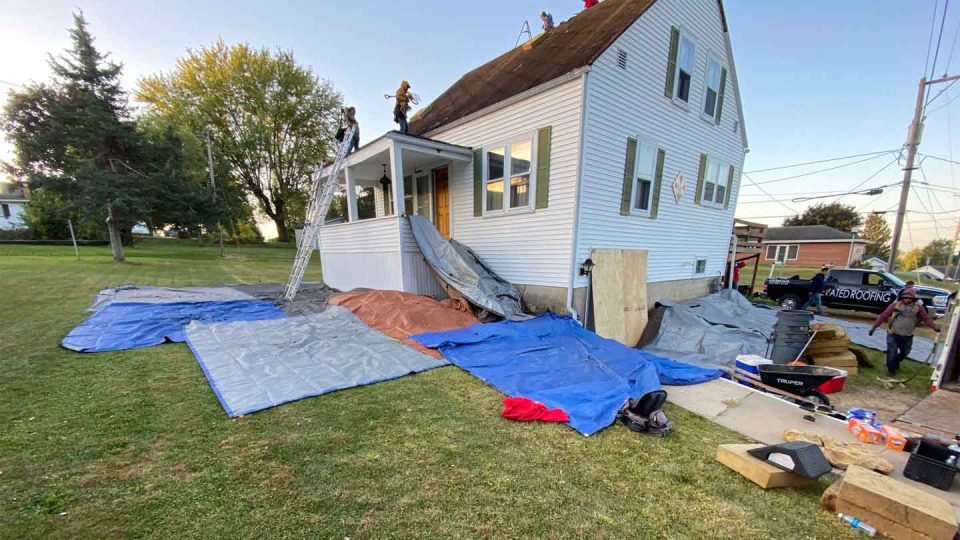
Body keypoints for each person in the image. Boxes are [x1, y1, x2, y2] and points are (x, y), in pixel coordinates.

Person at [869, 289, 940, 376]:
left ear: (913, 299)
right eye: (905, 298)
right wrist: (874, 327)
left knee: (905, 352)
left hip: (907, 335)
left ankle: (896, 361)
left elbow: (926, 318)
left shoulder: (918, 308)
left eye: (909, 298)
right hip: (893, 334)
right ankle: (891, 370)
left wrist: (935, 328)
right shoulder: (895, 305)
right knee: (892, 352)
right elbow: (883, 315)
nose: (907, 299)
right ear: (902, 297)